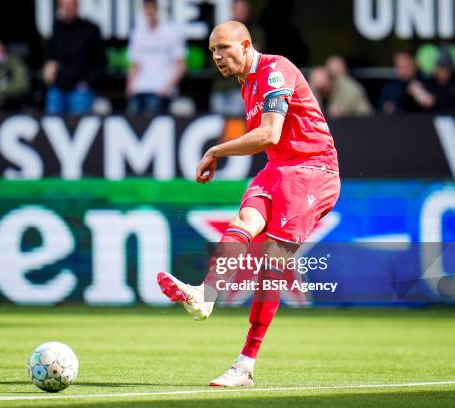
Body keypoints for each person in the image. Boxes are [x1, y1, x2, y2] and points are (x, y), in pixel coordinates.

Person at [156, 21, 340, 387]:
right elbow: (273, 141)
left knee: (272, 262)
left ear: (246, 44)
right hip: (279, 169)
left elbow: (270, 132)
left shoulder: (275, 71)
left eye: (223, 48)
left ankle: (244, 367)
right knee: (245, 219)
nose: (217, 57)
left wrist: (215, 150)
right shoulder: (246, 83)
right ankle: (205, 295)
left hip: (313, 170)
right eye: (212, 52)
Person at [43, 0, 106, 114]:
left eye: (69, 5)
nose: (66, 9)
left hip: (80, 89)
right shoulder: (57, 28)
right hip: (59, 86)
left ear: (77, 7)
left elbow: (101, 62)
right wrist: (49, 68)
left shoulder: (90, 29)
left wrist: (87, 82)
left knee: (77, 121)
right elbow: (51, 56)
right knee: (52, 118)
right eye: (63, 5)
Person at [126, 0, 186, 114]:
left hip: (161, 90)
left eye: (151, 8)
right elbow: (134, 63)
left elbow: (181, 65)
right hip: (140, 88)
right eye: (146, 9)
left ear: (157, 9)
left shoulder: (171, 32)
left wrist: (167, 88)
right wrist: (130, 85)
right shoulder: (138, 33)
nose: (148, 12)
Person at [211, 0, 265, 115]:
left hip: (241, 89)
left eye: (243, 9)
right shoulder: (221, 32)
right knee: (219, 129)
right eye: (238, 9)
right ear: (232, 10)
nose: (241, 12)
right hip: (220, 88)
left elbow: (251, 59)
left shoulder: (255, 32)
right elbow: (216, 58)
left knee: (237, 127)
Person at [378, 49, 433, 114]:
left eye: (406, 66)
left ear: (414, 64)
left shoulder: (426, 81)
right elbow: (380, 110)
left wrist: (420, 94)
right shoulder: (390, 87)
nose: (402, 72)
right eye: (399, 67)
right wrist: (387, 108)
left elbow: (433, 104)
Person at [425, 48, 455, 112]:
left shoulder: (453, 84)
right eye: (440, 67)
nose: (442, 71)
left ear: (450, 70)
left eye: (445, 68)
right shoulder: (428, 82)